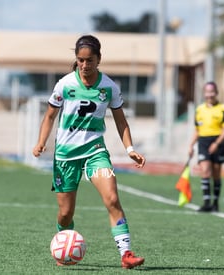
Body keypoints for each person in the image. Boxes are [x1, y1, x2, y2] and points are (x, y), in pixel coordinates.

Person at [32, 35, 146, 269]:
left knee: (113, 199)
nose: (85, 65)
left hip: (95, 152)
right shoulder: (65, 84)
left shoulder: (108, 87)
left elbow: (121, 121)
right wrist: (41, 142)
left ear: (99, 59)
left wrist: (130, 149)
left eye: (90, 60)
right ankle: (64, 244)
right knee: (65, 213)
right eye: (80, 60)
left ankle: (126, 254)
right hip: (65, 156)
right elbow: (50, 116)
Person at [188, 81, 224, 212]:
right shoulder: (199, 109)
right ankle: (206, 203)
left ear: (216, 93)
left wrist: (217, 143)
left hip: (218, 141)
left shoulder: (223, 108)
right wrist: (191, 145)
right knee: (205, 170)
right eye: (207, 92)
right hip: (203, 141)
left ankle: (215, 203)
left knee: (216, 173)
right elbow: (197, 130)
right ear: (204, 93)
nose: (209, 94)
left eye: (212, 92)